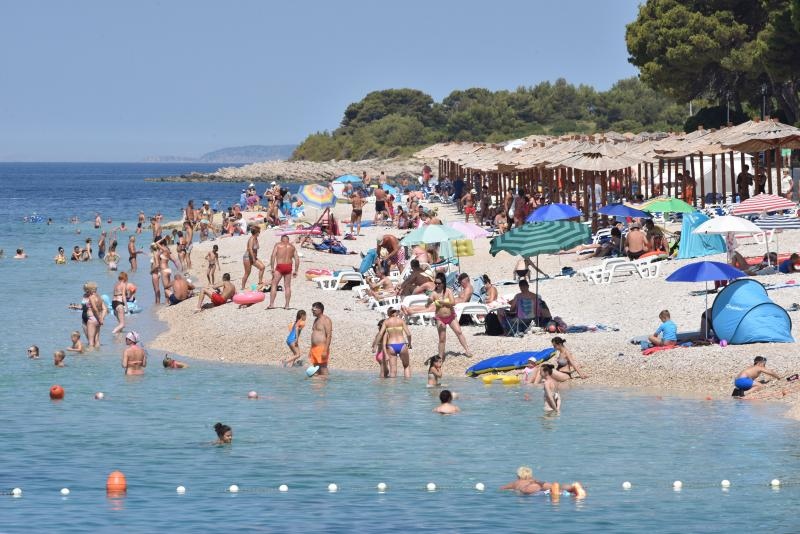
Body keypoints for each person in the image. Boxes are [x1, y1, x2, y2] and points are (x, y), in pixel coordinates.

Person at [430, 273, 472, 361]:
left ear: (443, 283)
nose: (437, 285)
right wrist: (428, 302)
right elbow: (429, 301)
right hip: (440, 318)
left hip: (451, 316)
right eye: (435, 283)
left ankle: (467, 350)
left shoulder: (448, 291)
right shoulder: (434, 293)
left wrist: (442, 302)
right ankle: (440, 357)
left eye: (439, 283)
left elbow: (453, 303)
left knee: (459, 332)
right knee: (442, 339)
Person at [500, 466, 586, 498]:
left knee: (531, 491)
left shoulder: (517, 482)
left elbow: (502, 488)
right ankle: (572, 487)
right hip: (541, 484)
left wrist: (510, 489)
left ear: (518, 476)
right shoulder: (534, 480)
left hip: (530, 489)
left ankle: (553, 492)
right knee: (558, 487)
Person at [374, 308, 412, 378]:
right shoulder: (401, 321)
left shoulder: (386, 322)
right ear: (396, 313)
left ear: (389, 313)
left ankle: (392, 384)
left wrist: (375, 345)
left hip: (391, 345)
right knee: (406, 366)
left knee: (393, 370)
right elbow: (409, 334)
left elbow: (380, 334)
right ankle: (408, 383)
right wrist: (409, 343)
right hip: (402, 344)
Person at [267, 235, 300, 309]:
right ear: (288, 240)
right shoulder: (292, 247)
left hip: (280, 266)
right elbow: (297, 259)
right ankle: (287, 305)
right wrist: (296, 270)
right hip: (288, 266)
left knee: (274, 284)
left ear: (281, 240)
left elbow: (273, 256)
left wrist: (272, 268)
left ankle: (271, 304)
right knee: (287, 286)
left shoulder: (278, 245)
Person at [309, 302, 333, 376]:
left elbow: (329, 335)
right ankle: (318, 383)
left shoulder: (326, 320)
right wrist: (311, 349)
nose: (312, 311)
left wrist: (325, 350)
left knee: (323, 367)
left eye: (314, 310)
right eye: (312, 310)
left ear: (320, 310)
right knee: (316, 369)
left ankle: (326, 381)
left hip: (322, 348)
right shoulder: (316, 320)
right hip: (314, 348)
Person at [241, 225, 265, 290]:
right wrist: (253, 258)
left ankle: (260, 282)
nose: (259, 233)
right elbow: (250, 249)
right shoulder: (251, 239)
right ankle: (243, 287)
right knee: (247, 273)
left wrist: (254, 258)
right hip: (247, 258)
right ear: (256, 232)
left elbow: (256, 247)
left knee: (262, 267)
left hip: (253, 257)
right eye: (259, 231)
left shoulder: (256, 238)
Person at [83, 281, 105, 348]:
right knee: (97, 340)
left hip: (92, 319)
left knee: (91, 342)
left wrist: (99, 319)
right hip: (97, 320)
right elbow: (105, 309)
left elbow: (95, 309)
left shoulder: (91, 297)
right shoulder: (99, 297)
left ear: (89, 289)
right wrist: (101, 318)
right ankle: (98, 352)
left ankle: (91, 354)